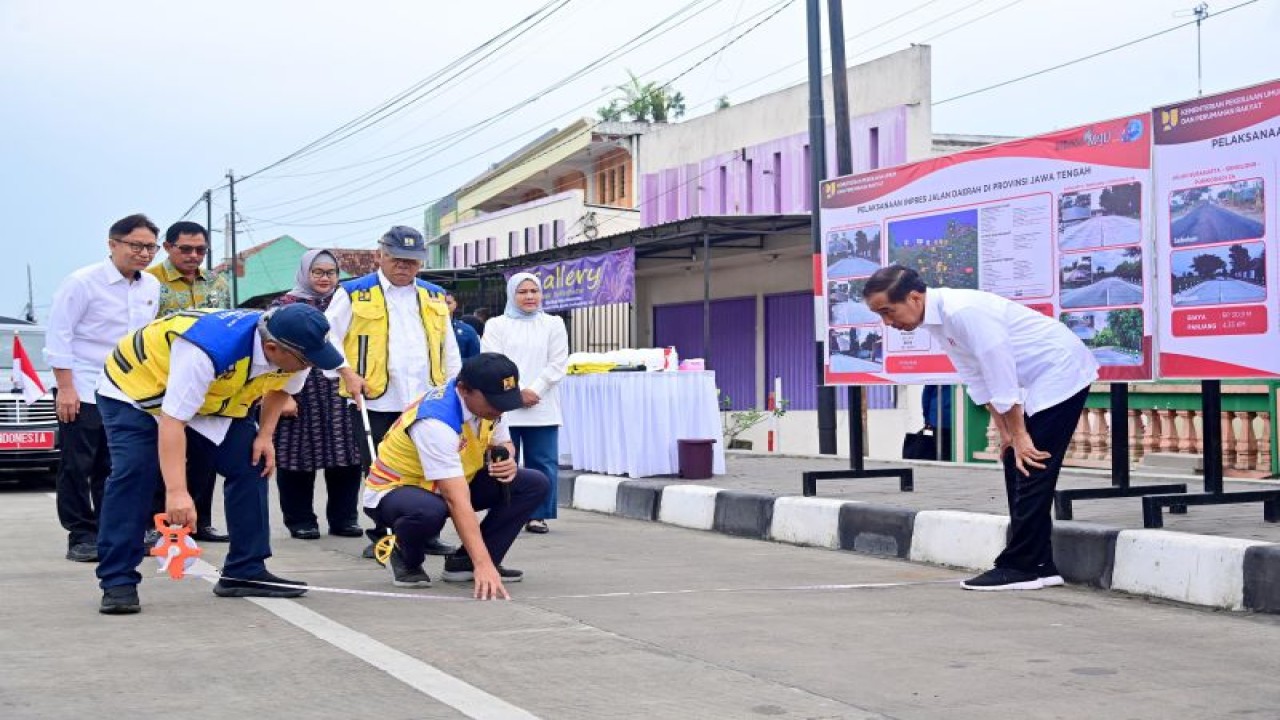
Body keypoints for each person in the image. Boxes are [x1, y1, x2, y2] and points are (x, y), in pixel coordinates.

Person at [93, 305, 363, 614]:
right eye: (307, 361)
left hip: (210, 398)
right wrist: (177, 493)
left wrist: (265, 436)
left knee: (252, 462)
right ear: (272, 348)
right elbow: (173, 421)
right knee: (135, 473)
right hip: (137, 392)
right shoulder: (207, 351)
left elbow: (280, 390)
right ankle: (118, 579)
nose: (311, 366)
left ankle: (245, 570)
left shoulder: (298, 349)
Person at [862, 264, 1098, 592]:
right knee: (1016, 462)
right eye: (880, 315)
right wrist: (1006, 434)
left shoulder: (963, 311)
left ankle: (1022, 565)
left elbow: (1000, 373)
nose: (887, 322)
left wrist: (1019, 435)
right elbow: (975, 375)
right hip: (1034, 378)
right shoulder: (937, 319)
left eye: (888, 311)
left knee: (1031, 464)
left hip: (1060, 370)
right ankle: (1040, 565)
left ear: (914, 298)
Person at [325, 226, 462, 558]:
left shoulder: (434, 295)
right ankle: (383, 535)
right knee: (381, 470)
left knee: (429, 467)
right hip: (376, 398)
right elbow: (326, 337)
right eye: (397, 259)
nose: (404, 266)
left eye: (411, 261)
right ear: (380, 255)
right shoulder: (354, 293)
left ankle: (425, 533)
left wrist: (454, 390)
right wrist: (346, 372)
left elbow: (449, 347)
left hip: (426, 401)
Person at [363, 353, 548, 597]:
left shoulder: (492, 407)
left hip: (453, 481)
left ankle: (464, 564)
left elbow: (503, 442)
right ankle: (405, 557)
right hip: (397, 491)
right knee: (428, 511)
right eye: (494, 401)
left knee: (533, 484)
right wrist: (484, 564)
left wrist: (508, 460)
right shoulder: (435, 421)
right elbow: (456, 499)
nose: (500, 408)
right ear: (463, 390)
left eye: (505, 401)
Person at [44, 214, 161, 562]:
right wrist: (65, 388)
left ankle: (113, 532)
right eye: (136, 245)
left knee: (115, 465)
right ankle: (81, 535)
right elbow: (59, 335)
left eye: (150, 247)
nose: (144, 253)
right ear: (113, 244)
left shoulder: (151, 286)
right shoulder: (81, 282)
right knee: (77, 464)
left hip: (127, 389)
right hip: (81, 384)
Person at [148, 221, 233, 543]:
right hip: (160, 380)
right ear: (168, 247)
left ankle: (200, 522)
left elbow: (225, 327)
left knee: (203, 455)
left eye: (201, 250)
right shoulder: (150, 282)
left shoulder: (217, 282)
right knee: (162, 456)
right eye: (186, 249)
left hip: (206, 380)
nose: (194, 256)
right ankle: (156, 524)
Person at [270, 250, 364, 540]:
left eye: (331, 273)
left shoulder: (346, 301)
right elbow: (272, 354)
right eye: (318, 272)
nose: (325, 278)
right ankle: (300, 520)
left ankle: (344, 519)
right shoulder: (283, 305)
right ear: (305, 273)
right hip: (298, 388)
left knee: (346, 455)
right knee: (296, 457)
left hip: (338, 388)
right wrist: (283, 395)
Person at [480, 273, 568, 534]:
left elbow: (558, 363)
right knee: (502, 461)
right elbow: (492, 361)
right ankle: (504, 512)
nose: (529, 296)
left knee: (543, 462)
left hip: (542, 405)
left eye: (534, 291)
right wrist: (516, 393)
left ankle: (538, 515)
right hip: (505, 405)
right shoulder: (497, 325)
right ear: (511, 294)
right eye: (522, 292)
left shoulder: (553, 324)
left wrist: (535, 390)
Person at [921, 384, 954, 462]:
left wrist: (927, 418)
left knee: (942, 452)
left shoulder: (935, 377)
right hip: (959, 418)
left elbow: (926, 395)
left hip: (937, 417)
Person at [445, 291, 481, 360]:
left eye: (448, 303)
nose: (445, 306)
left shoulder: (468, 331)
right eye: (441, 303)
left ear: (455, 305)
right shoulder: (425, 330)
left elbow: (475, 361)